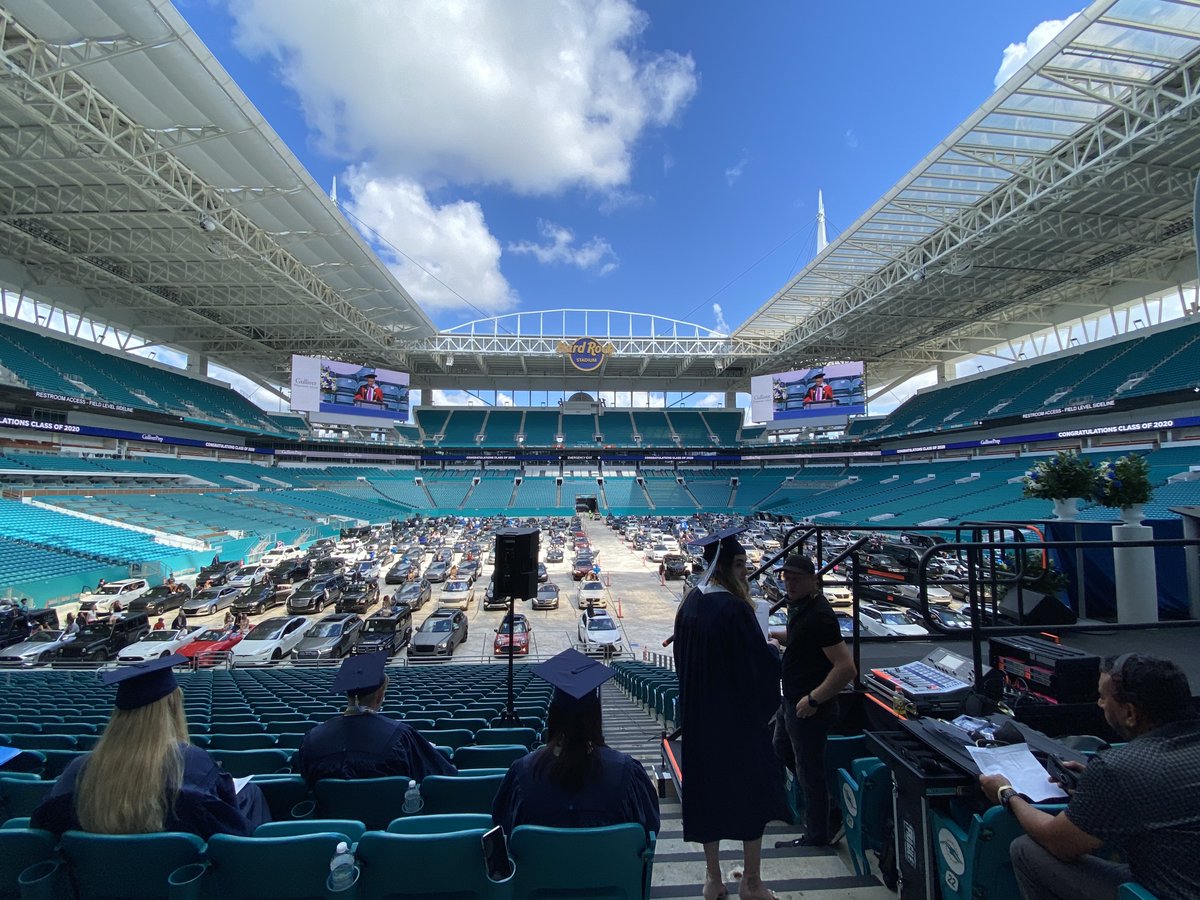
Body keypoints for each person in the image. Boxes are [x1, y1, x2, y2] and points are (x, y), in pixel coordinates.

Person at [978, 653, 1200, 900]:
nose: (1100, 704)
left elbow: (1057, 842)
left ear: (1130, 713)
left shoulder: (1119, 769)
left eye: (1104, 697)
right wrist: (1098, 790)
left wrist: (1006, 794)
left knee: (1025, 850)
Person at [30, 655, 269, 838]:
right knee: (251, 795)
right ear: (174, 708)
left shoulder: (78, 771)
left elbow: (42, 831)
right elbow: (233, 835)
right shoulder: (191, 764)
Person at [673, 527, 786, 900]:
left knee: (707, 794)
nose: (745, 573)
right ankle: (751, 882)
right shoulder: (736, 609)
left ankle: (713, 879)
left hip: (701, 720)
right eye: (739, 565)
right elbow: (756, 667)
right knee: (749, 793)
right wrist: (771, 650)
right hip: (737, 722)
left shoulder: (689, 604)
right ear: (721, 567)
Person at [492, 648, 659, 836]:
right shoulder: (626, 773)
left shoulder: (523, 774)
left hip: (544, 866)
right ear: (596, 715)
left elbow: (504, 831)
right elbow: (649, 831)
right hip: (608, 865)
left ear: (553, 716)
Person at [771, 555, 856, 847]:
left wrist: (814, 699)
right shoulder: (800, 608)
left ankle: (819, 832)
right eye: (786, 578)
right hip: (791, 701)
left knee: (810, 771)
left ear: (813, 580)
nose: (790, 583)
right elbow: (796, 637)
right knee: (782, 750)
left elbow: (846, 668)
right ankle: (828, 813)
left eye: (796, 578)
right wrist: (769, 634)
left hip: (809, 707)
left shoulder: (819, 615)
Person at [295, 653, 458, 787]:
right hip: (391, 822)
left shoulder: (313, 738)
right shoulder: (400, 736)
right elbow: (442, 776)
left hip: (327, 823)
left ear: (347, 695)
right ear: (380, 696)